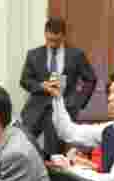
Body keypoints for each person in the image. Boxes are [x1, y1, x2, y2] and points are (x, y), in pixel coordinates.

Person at [19, 17, 97, 157]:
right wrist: (41, 86)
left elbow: (90, 79)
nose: (52, 44)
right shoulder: (34, 54)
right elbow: (25, 80)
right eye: (50, 40)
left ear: (63, 35)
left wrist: (78, 102)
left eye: (56, 40)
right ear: (45, 34)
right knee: (22, 144)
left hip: (62, 109)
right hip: (36, 109)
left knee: (54, 153)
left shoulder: (76, 55)